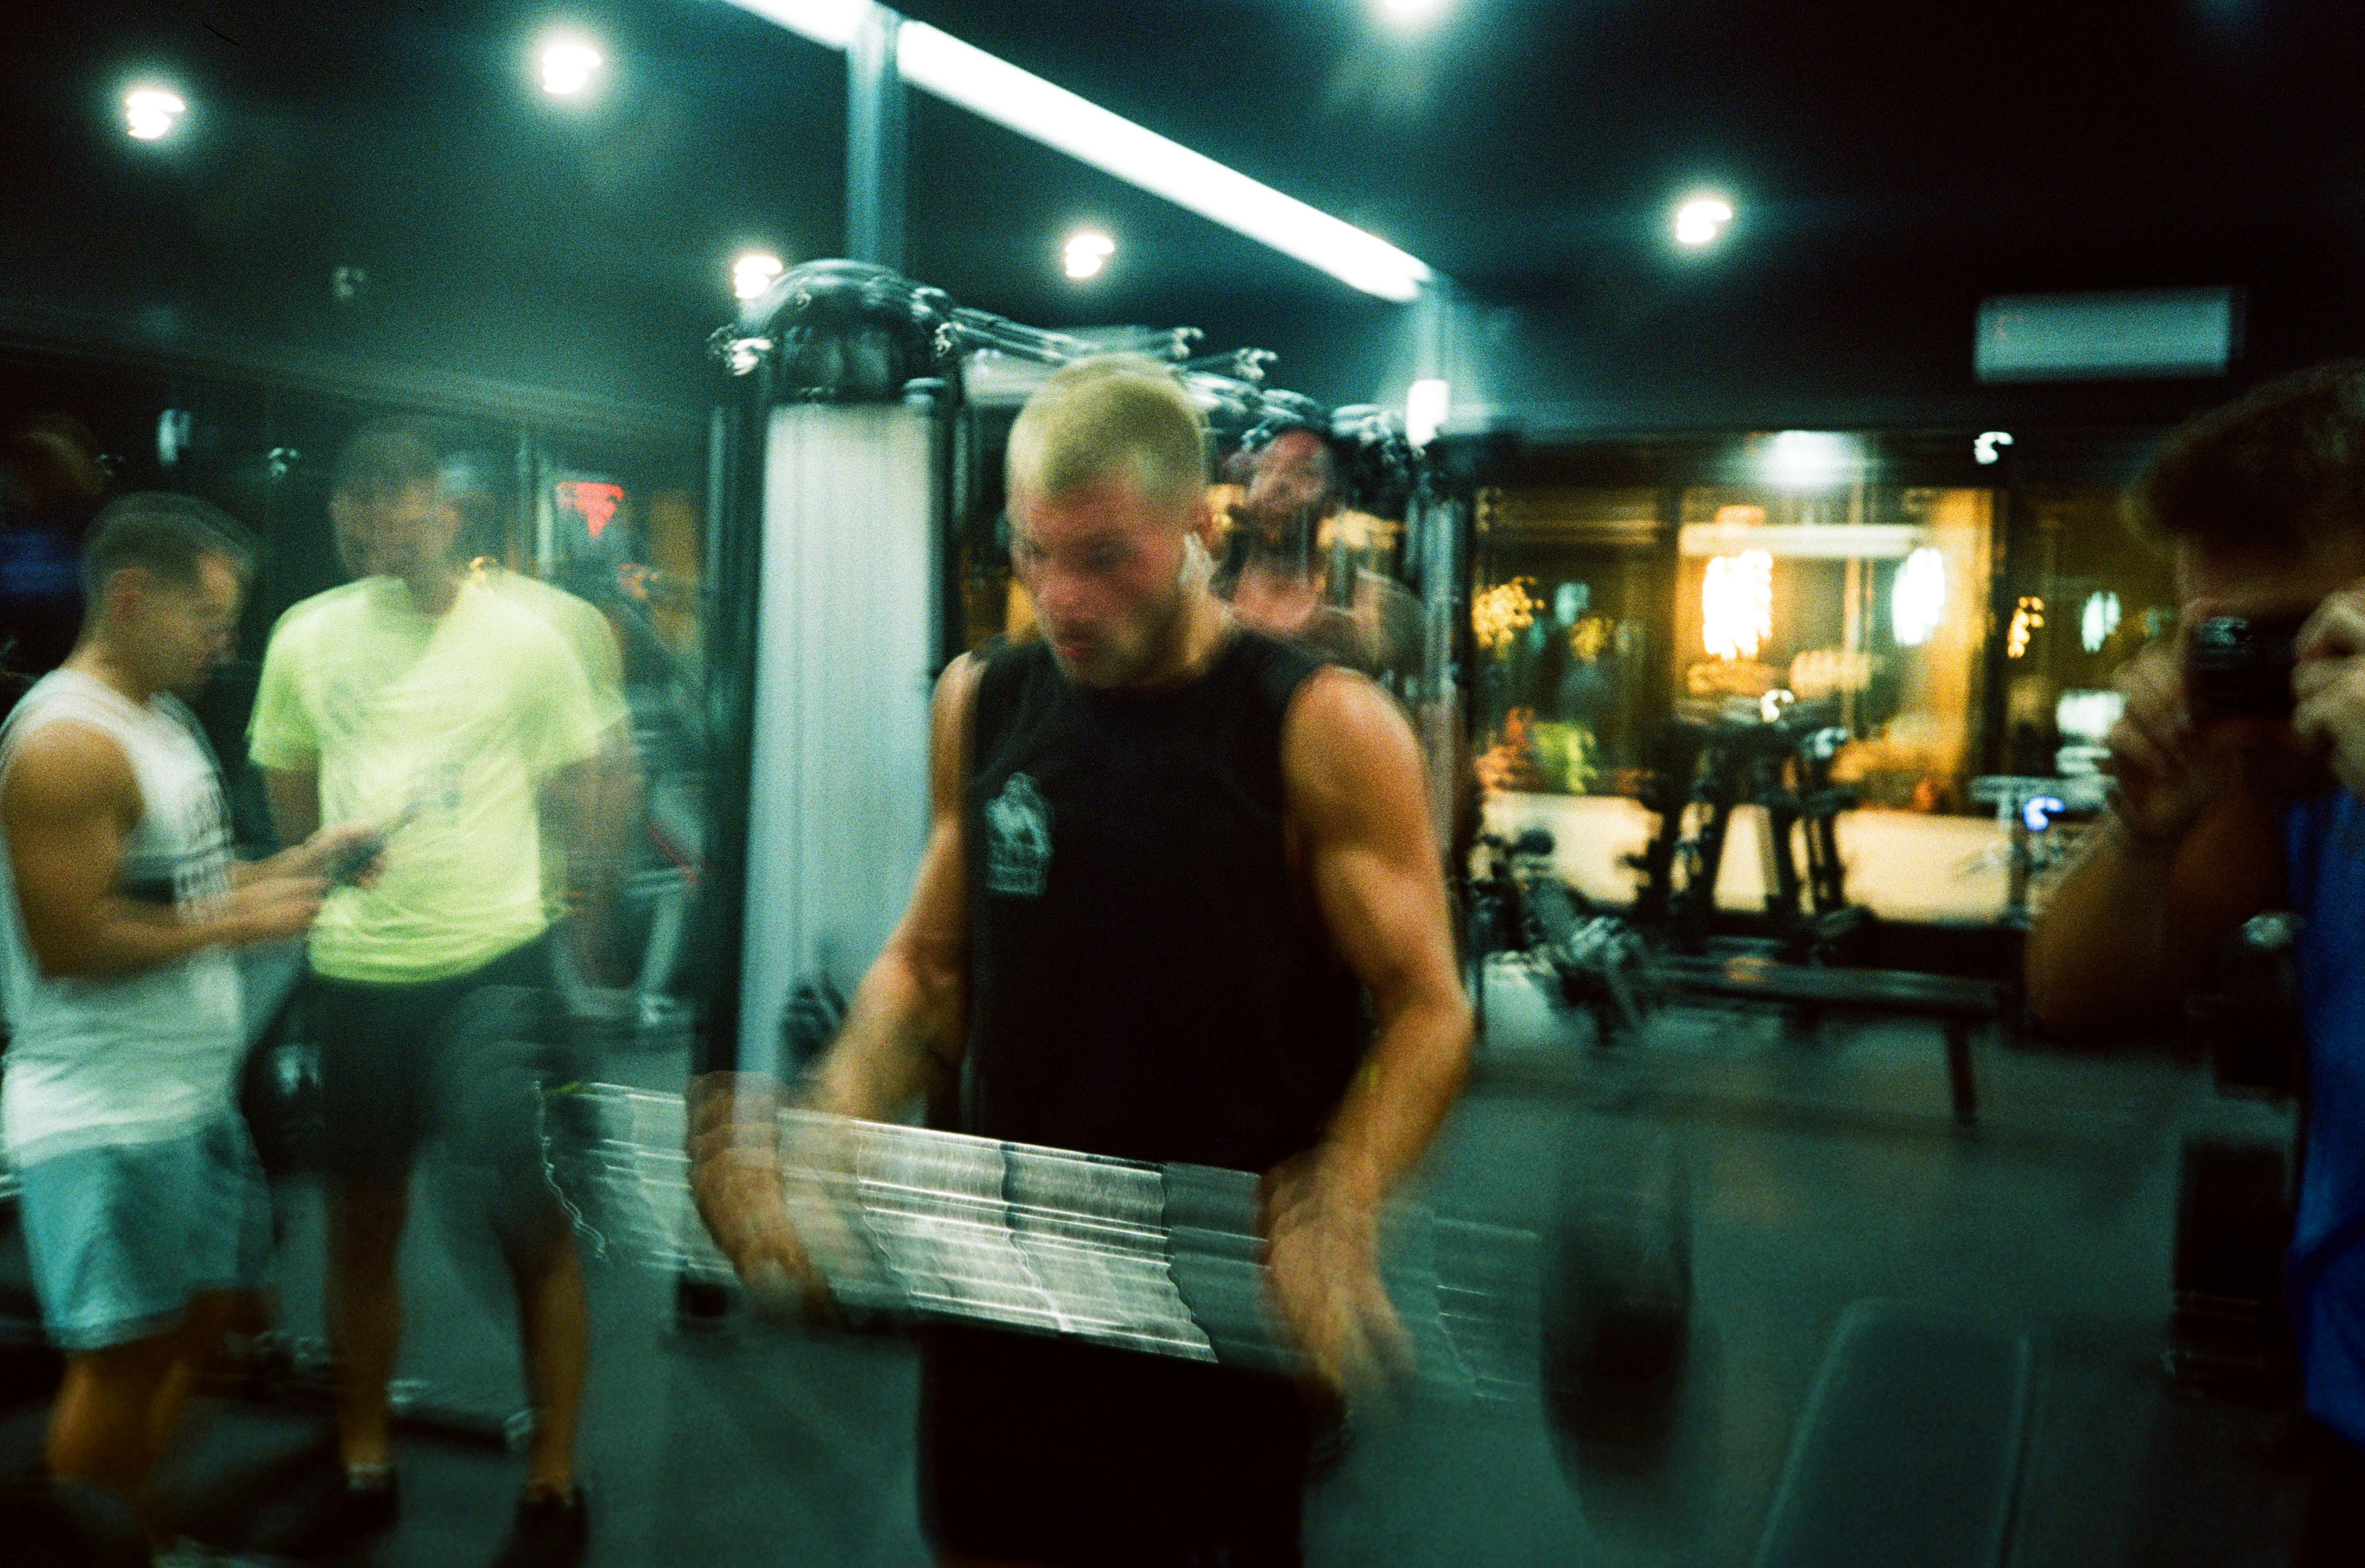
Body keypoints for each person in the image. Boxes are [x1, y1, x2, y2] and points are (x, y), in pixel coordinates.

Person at [691, 357, 1473, 1567]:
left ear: (1200, 529)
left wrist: (1348, 1185)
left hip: (1215, 1328)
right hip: (1000, 1318)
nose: (1063, 598)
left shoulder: (1319, 728)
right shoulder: (985, 703)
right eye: (1033, 553)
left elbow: (1428, 1008)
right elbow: (933, 967)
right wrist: (835, 1108)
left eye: (1108, 556)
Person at [244, 421, 623, 1567]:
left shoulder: (529, 639)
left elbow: (582, 787)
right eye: (352, 513)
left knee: (532, 1225)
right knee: (360, 1224)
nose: (372, 528)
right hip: (361, 979)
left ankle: (554, 1477)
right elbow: (290, 796)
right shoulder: (306, 636)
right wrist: (323, 870)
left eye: (395, 507)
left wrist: (586, 913)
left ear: (444, 511)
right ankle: (364, 1463)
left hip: (496, 971)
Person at [2023, 361, 2365, 1567]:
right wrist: (2146, 829)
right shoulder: (2303, 798)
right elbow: (2071, 994)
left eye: (2288, 639)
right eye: (2221, 642)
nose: (2258, 692)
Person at [0, 493, 364, 1543]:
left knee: (206, 1325)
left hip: (190, 1102)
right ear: (128, 597)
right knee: (118, 1366)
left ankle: (142, 1536)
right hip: (106, 1113)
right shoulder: (68, 743)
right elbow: (72, 946)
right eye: (209, 618)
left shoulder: (157, 722)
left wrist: (304, 860)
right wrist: (233, 926)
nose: (226, 641)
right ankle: (85, 1549)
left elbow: (187, 886)